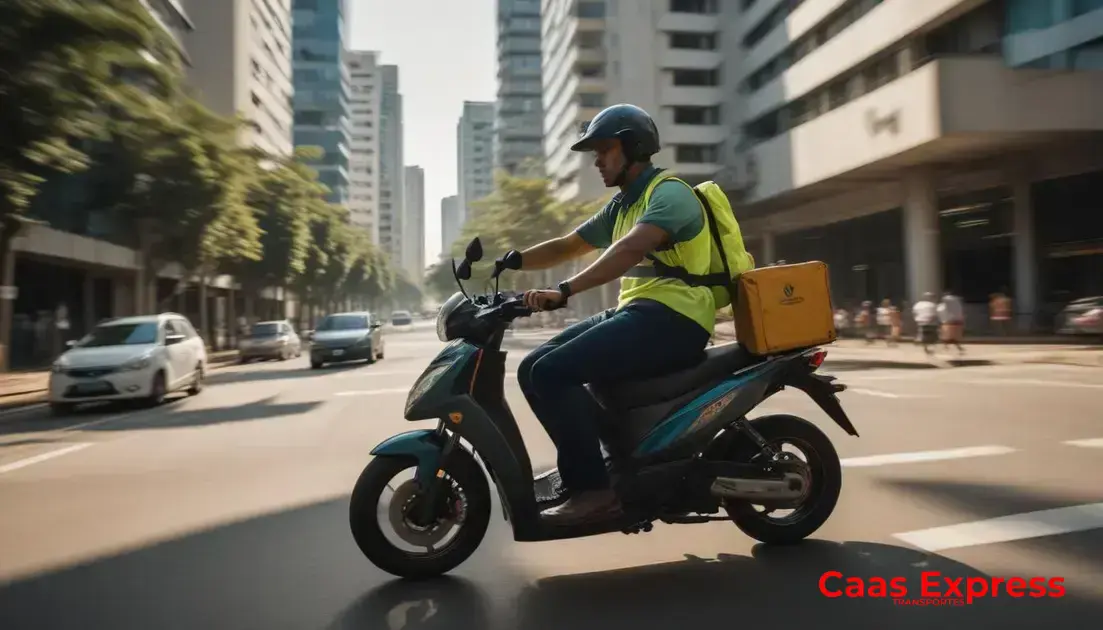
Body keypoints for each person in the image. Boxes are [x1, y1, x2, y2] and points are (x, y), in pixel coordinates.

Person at [509, 103, 716, 525]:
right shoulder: (623, 205)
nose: (598, 162)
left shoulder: (670, 194)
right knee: (532, 367)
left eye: (604, 151)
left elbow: (627, 250)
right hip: (642, 313)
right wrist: (509, 262)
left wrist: (563, 290)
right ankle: (615, 465)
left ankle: (594, 491)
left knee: (553, 373)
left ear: (633, 148)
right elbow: (570, 244)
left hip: (675, 319)